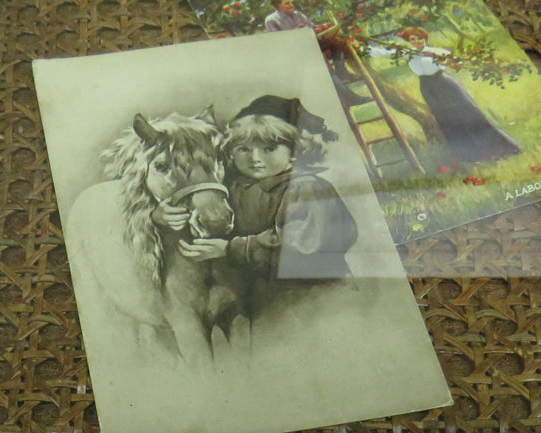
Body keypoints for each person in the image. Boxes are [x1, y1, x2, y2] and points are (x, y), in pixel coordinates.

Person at [178, 95, 356, 311]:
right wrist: (161, 213)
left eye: (269, 149)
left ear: (295, 150)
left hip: (315, 295)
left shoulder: (306, 187)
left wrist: (231, 249)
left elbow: (301, 246)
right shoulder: (235, 188)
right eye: (243, 149)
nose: (255, 158)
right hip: (267, 297)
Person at [390, 27, 521, 162]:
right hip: (428, 89)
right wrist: (366, 45)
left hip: (445, 84)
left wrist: (440, 58)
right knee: (446, 120)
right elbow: (382, 52)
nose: (417, 41)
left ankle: (501, 149)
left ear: (425, 37)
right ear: (409, 41)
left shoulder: (437, 51)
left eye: (420, 38)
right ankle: (471, 156)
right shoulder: (408, 53)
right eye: (413, 39)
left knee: (468, 113)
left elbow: (457, 62)